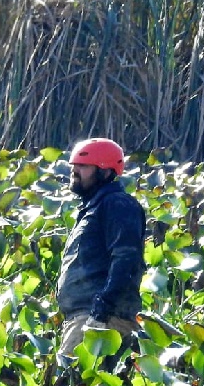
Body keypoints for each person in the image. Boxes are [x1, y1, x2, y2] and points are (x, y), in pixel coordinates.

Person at [56, 138, 146, 361]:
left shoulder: (117, 204)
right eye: (74, 166)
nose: (75, 171)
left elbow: (126, 258)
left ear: (106, 173)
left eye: (84, 166)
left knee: (74, 385)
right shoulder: (94, 207)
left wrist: (101, 311)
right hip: (84, 317)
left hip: (100, 320)